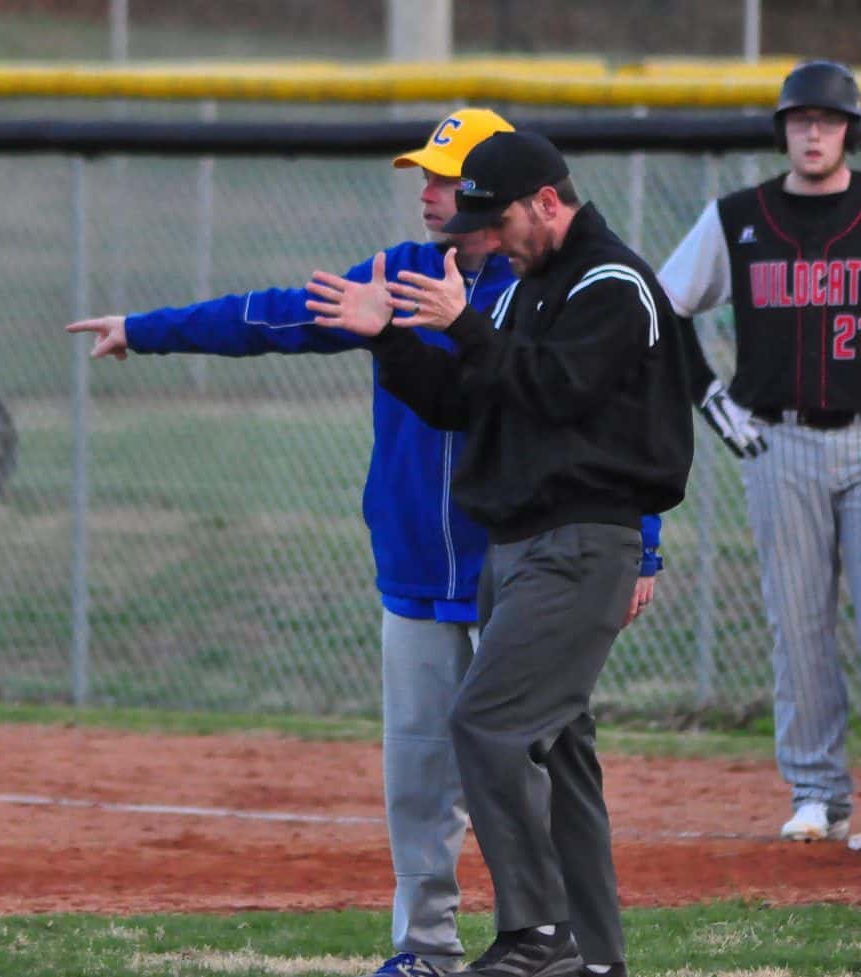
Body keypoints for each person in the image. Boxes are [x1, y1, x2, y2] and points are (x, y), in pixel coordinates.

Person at [66, 110, 665, 977]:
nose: (429, 192)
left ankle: (568, 947)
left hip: (527, 563)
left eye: (447, 178)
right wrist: (148, 327)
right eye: (427, 176)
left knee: (539, 761)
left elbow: (609, 414)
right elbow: (272, 317)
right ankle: (426, 948)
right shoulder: (400, 275)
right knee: (421, 774)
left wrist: (644, 545)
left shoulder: (552, 285)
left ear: (505, 191)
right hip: (420, 567)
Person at [305, 130, 693, 977]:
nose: (489, 239)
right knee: (559, 747)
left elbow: (557, 391)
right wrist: (390, 338)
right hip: (516, 547)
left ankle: (538, 930)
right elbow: (464, 399)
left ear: (547, 203)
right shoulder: (526, 291)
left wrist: (466, 324)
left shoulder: (611, 284)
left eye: (498, 221)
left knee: (487, 722)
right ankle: (595, 958)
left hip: (581, 542)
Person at [657, 59, 861, 843]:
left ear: (851, 130)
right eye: (801, 120)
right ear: (782, 130)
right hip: (778, 441)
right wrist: (711, 398)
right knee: (797, 620)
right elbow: (664, 303)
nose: (814, 132)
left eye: (828, 119)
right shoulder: (738, 217)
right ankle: (816, 789)